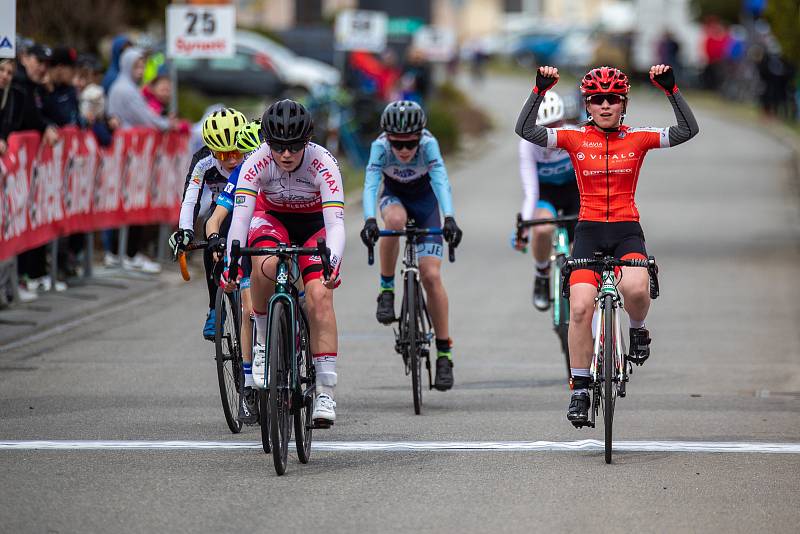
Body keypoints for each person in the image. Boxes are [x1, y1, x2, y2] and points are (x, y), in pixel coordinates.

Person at [515, 64, 699, 426]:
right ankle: (581, 389)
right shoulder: (573, 138)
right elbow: (525, 130)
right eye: (596, 99)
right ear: (587, 104)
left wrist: (671, 89)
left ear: (623, 104)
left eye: (612, 99)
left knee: (635, 288)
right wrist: (538, 91)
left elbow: (687, 130)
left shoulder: (638, 138)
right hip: (589, 231)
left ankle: (638, 329)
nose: (604, 105)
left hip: (627, 230)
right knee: (580, 307)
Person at [224, 100, 345, 427]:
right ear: (268, 142)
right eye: (279, 147)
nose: (286, 154)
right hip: (271, 218)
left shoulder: (324, 164)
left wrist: (331, 263)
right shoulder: (256, 161)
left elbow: (335, 226)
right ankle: (263, 342)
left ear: (307, 142)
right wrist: (230, 263)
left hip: (314, 225)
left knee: (320, 296)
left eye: (294, 147)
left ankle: (325, 391)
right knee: (264, 262)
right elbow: (240, 219)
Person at [360, 100, 463, 391]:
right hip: (395, 198)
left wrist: (450, 217)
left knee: (431, 276)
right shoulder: (379, 147)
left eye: (410, 143)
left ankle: (444, 353)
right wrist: (369, 219)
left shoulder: (429, 144)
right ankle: (387, 289)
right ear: (388, 138)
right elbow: (370, 184)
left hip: (426, 203)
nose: (404, 151)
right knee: (393, 222)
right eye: (398, 144)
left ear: (420, 136)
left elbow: (441, 180)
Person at [169, 108, 247, 341]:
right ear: (213, 151)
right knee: (210, 238)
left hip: (253, 208)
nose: (232, 159)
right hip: (221, 214)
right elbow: (190, 198)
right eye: (224, 155)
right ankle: (215, 308)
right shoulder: (203, 161)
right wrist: (185, 231)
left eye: (236, 151)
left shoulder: (255, 150)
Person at [205, 119, 263, 423]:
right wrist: (214, 237)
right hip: (247, 246)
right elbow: (214, 219)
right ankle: (249, 384)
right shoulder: (241, 173)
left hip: (274, 239)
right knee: (248, 310)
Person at [513, 90, 579, 311]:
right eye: (544, 128)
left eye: (556, 124)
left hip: (575, 192)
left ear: (564, 120)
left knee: (581, 242)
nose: (551, 132)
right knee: (541, 230)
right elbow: (531, 191)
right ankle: (542, 273)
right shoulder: (528, 145)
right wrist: (523, 225)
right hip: (546, 194)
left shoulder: (575, 134)